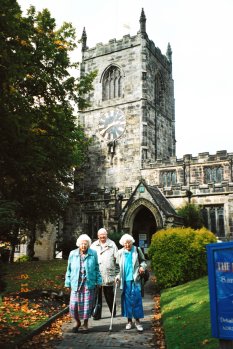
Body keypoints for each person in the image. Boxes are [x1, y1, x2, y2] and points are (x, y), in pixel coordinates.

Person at [64, 234, 102, 333]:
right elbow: (69, 270)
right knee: (73, 305)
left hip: (88, 283)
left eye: (85, 244)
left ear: (88, 245)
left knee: (87, 305)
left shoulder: (93, 253)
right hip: (76, 283)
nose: (83, 246)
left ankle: (85, 324)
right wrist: (67, 283)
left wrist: (99, 281)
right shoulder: (72, 254)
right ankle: (77, 322)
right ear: (79, 244)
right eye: (82, 244)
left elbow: (97, 269)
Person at [115, 233, 147, 332]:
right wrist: (117, 276)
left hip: (135, 279)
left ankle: (137, 321)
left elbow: (143, 261)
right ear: (123, 244)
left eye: (129, 243)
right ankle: (129, 321)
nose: (127, 245)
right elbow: (117, 267)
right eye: (125, 243)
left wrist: (142, 267)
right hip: (125, 281)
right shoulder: (120, 253)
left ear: (132, 242)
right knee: (127, 301)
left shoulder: (137, 250)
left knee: (137, 300)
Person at [90, 227, 119, 319]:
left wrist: (117, 274)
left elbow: (117, 260)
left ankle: (113, 312)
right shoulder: (93, 245)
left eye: (104, 235)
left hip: (108, 274)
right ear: (98, 236)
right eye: (101, 236)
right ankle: (97, 314)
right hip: (97, 275)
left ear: (107, 235)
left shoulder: (112, 244)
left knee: (109, 294)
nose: (102, 237)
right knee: (97, 296)